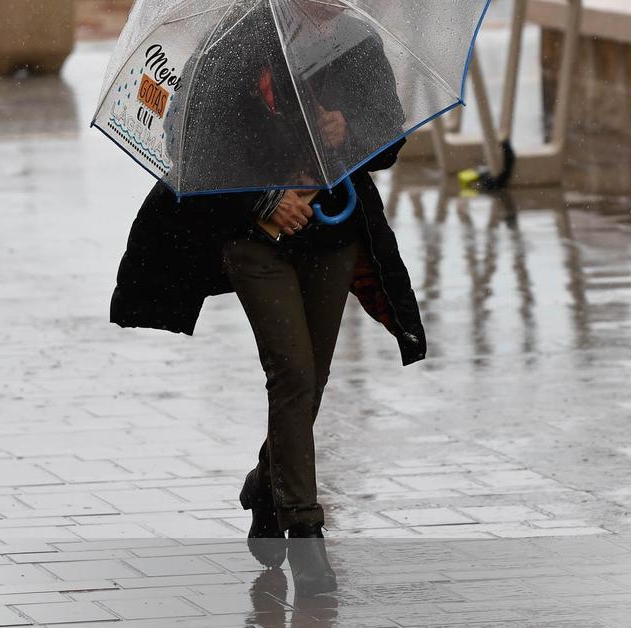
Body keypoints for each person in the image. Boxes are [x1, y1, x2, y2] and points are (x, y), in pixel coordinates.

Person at [109, 1, 426, 596]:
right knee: (292, 372)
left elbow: (386, 141)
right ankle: (305, 531)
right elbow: (191, 139)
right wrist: (262, 202)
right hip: (253, 237)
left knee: (315, 375)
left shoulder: (358, 42)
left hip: (332, 232)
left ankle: (266, 485)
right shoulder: (240, 39)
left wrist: (347, 131)